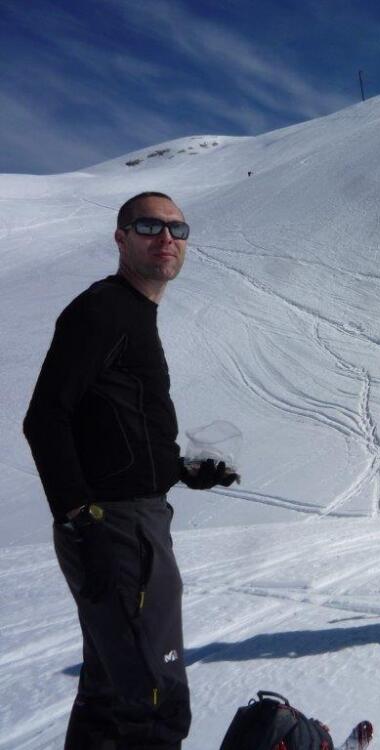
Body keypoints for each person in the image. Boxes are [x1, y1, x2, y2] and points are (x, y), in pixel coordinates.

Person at [23, 191, 238, 748]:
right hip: (114, 526)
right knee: (154, 702)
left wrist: (179, 469)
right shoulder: (103, 309)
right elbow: (45, 418)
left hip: (131, 520)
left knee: (108, 689)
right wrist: (81, 520)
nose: (166, 238)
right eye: (149, 226)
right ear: (121, 238)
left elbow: (117, 419)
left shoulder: (133, 312)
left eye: (177, 229)